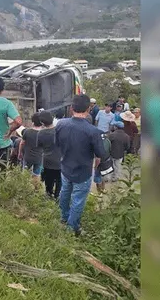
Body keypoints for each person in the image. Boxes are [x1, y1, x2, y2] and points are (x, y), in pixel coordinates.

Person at [55, 94, 107, 235]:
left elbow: (57, 144)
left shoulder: (61, 124)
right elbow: (100, 154)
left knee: (64, 193)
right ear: (89, 109)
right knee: (78, 200)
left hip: (65, 167)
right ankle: (72, 227)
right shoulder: (93, 131)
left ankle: (64, 218)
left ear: (72, 108)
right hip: (82, 172)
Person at [37, 111, 62, 199]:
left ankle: (49, 195)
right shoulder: (59, 130)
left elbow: (39, 146)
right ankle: (57, 197)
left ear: (42, 122)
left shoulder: (41, 133)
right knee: (59, 180)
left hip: (47, 161)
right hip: (60, 161)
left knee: (49, 181)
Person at [18, 113, 44, 183]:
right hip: (38, 158)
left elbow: (22, 143)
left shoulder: (27, 131)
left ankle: (24, 187)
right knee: (36, 175)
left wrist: (20, 153)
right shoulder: (44, 133)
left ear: (32, 122)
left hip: (28, 157)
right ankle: (35, 190)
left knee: (25, 174)